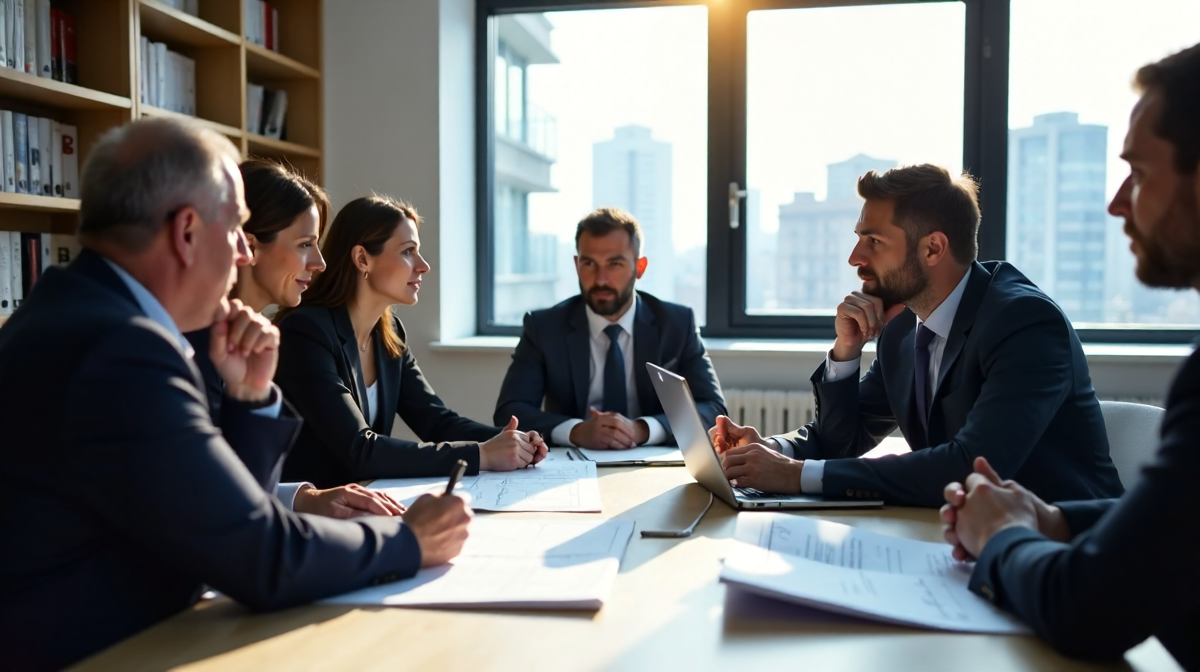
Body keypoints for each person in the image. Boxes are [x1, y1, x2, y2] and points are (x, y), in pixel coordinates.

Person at [0, 118, 472, 671]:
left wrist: (250, 399)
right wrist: (408, 542)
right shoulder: (118, 349)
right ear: (187, 233)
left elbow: (224, 516)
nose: (243, 256)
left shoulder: (81, 313)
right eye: (236, 231)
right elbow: (258, 555)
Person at [940, 44, 1200, 670]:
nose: (1117, 202)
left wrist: (1001, 534)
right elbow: (1181, 524)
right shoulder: (897, 330)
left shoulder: (1019, 315)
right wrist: (1052, 520)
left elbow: (1086, 608)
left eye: (1137, 171)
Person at [711, 164, 1123, 506]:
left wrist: (798, 475)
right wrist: (774, 450)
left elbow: (969, 466)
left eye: (874, 241)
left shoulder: (1025, 323)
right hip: (960, 535)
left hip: (1064, 552)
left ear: (932, 249)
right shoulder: (905, 328)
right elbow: (841, 441)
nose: (855, 259)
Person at [275, 195, 548, 488]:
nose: (423, 266)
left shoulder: (389, 332)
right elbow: (359, 449)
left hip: (365, 499)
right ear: (362, 258)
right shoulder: (305, 332)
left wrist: (512, 440)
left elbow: (437, 422)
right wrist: (481, 454)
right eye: (408, 252)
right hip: (309, 511)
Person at [186, 158, 401, 519]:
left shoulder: (250, 340)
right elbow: (203, 494)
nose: (319, 262)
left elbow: (240, 478)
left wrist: (304, 497)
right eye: (305, 244)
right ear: (249, 246)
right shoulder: (192, 345)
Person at [494, 207, 726, 450]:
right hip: (570, 463)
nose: (600, 279)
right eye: (589, 263)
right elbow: (509, 412)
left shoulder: (677, 323)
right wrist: (575, 431)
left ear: (640, 267)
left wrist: (642, 429)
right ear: (576, 265)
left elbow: (712, 409)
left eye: (614, 263)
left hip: (651, 462)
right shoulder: (544, 327)